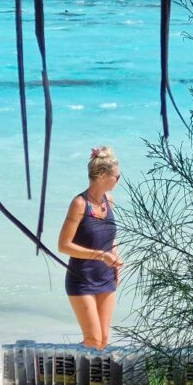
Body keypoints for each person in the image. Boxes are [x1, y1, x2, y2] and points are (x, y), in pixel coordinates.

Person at [57, 146, 122, 350]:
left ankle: (96, 381)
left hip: (106, 276)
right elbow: (63, 245)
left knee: (103, 341)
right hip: (82, 279)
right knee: (93, 339)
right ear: (103, 176)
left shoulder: (108, 201)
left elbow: (110, 237)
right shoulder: (79, 204)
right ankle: (70, 373)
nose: (118, 180)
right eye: (116, 176)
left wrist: (115, 261)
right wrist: (101, 256)